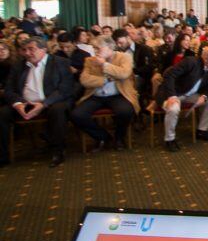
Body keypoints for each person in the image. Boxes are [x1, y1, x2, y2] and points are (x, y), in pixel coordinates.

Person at [0, 37, 74, 167]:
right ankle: (3, 155)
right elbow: (9, 90)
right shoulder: (19, 66)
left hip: (50, 102)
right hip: (25, 104)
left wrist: (44, 104)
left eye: (31, 49)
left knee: (58, 110)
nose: (27, 53)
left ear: (44, 49)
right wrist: (18, 104)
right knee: (2, 113)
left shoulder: (60, 62)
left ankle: (58, 151)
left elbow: (65, 89)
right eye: (24, 50)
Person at [70, 36, 138, 151]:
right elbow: (84, 80)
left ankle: (119, 138)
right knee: (77, 115)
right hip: (96, 95)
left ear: (110, 47)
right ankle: (103, 137)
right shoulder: (90, 60)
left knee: (125, 111)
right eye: (94, 48)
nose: (95, 52)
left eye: (98, 48)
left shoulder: (124, 57)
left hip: (119, 94)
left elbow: (124, 74)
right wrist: (106, 80)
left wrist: (104, 65)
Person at [156, 46, 208, 151]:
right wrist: (171, 96)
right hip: (173, 93)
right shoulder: (190, 62)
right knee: (173, 109)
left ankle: (201, 130)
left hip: (190, 95)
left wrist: (204, 96)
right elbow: (169, 75)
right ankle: (170, 139)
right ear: (206, 58)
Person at [112, 28, 154, 105]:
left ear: (128, 38)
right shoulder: (116, 51)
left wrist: (131, 71)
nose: (119, 45)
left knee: (132, 85)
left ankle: (134, 108)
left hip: (137, 76)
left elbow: (149, 67)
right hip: (120, 76)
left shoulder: (144, 49)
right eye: (117, 43)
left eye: (121, 43)